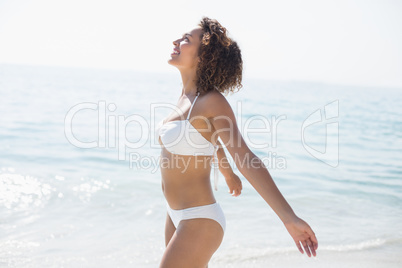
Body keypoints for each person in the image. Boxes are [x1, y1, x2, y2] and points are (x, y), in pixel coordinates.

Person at [156, 16, 318, 268]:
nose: (177, 41)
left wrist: (289, 218)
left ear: (203, 57)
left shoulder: (212, 101)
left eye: (186, 39)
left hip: (198, 219)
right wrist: (225, 169)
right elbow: (204, 138)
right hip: (174, 214)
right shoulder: (185, 98)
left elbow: (247, 158)